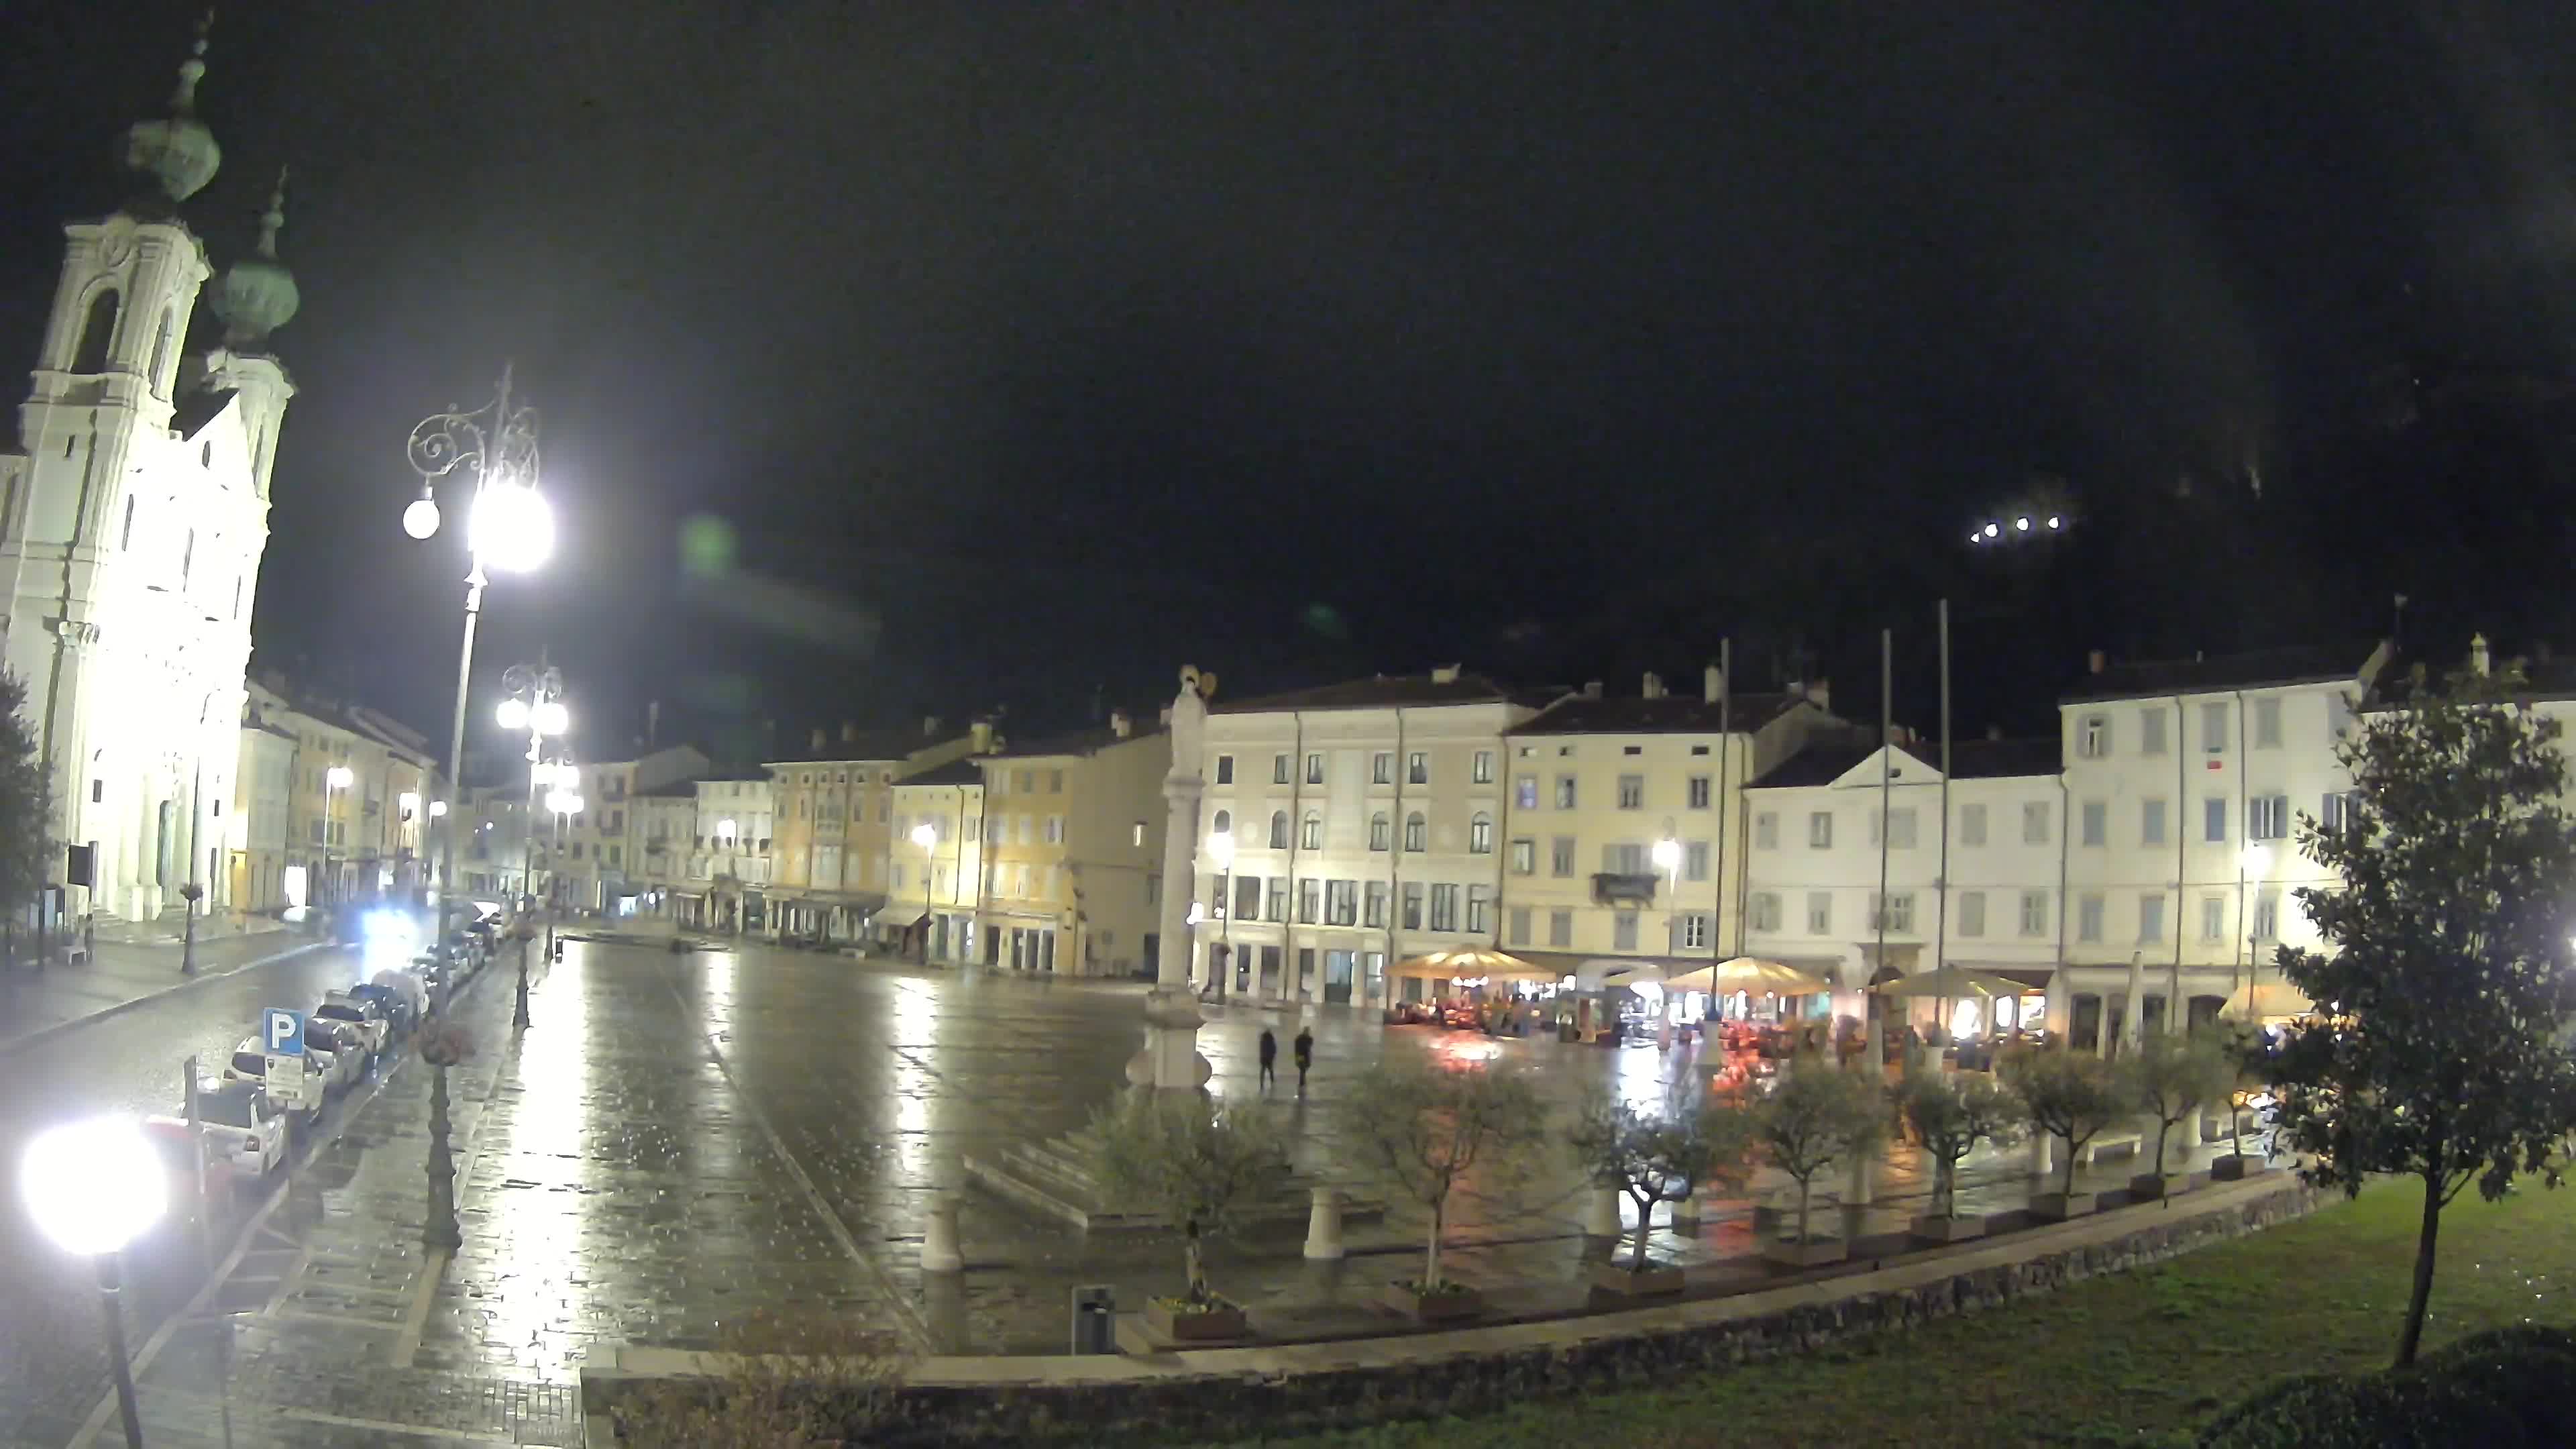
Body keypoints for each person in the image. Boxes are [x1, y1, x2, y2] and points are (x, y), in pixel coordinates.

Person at [1293, 1026, 1314, 1095]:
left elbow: (1310, 1045)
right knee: (1302, 1069)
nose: (1307, 1032)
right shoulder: (1300, 1038)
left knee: (1304, 1069)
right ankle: (1302, 1083)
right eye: (1307, 1031)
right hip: (1301, 1056)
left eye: (1308, 1031)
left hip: (1305, 1056)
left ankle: (1302, 1082)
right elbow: (1297, 1047)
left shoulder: (1308, 1039)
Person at [1258, 1027, 1278, 1091]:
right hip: (1269, 1057)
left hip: (1264, 1057)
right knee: (1271, 1070)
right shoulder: (1271, 1040)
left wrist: (1261, 1056)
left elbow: (1261, 1049)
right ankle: (1272, 1081)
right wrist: (1273, 1055)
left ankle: (1262, 1082)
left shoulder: (1262, 1040)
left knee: (1263, 1070)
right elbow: (1274, 1049)